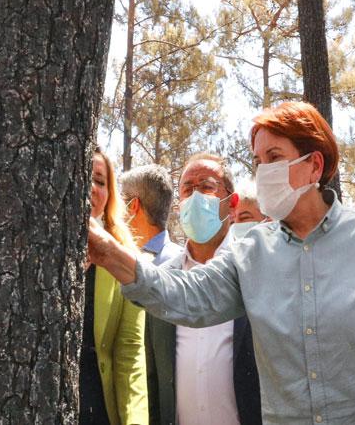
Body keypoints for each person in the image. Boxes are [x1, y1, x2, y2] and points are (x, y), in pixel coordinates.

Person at [88, 101, 355, 424]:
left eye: (274, 157)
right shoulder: (252, 252)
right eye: (258, 162)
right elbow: (184, 295)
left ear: (314, 165)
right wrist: (109, 251)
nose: (263, 172)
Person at [139, 153, 262, 425]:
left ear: (232, 204)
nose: (195, 197)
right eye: (187, 189)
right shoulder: (162, 280)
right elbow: (153, 377)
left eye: (206, 187)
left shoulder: (254, 270)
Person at [80, 149, 148, 425]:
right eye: (84, 177)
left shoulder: (125, 257)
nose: (91, 188)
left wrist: (135, 420)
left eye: (100, 180)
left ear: (110, 195)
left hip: (96, 406)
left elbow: (130, 350)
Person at [119, 164, 183, 266]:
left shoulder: (124, 263)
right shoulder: (183, 261)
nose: (117, 209)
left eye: (121, 201)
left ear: (133, 205)